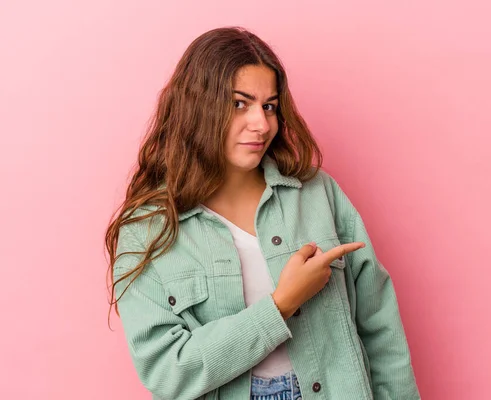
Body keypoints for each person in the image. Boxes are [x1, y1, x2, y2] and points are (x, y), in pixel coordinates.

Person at [106, 26, 420, 400]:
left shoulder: (317, 193)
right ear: (197, 107)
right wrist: (280, 305)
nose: (262, 124)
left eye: (269, 106)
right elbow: (168, 369)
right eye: (240, 103)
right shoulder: (147, 229)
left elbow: (379, 322)